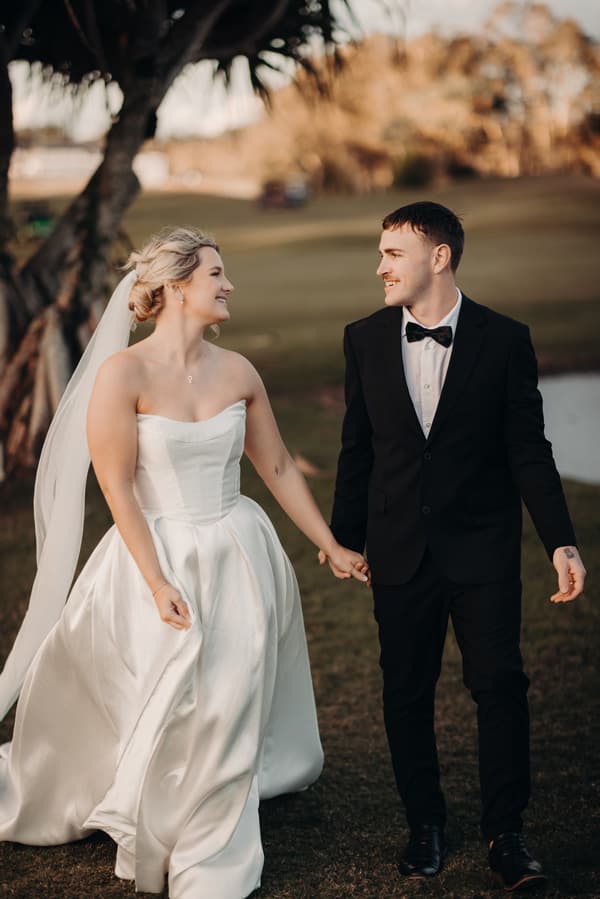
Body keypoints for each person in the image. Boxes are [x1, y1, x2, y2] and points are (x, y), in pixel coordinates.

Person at [0, 227, 370, 899]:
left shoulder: (239, 373)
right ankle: (152, 797)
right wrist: (157, 579)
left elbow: (279, 466)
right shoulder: (123, 374)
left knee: (227, 693)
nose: (227, 285)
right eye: (215, 274)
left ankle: (206, 839)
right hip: (152, 552)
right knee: (168, 696)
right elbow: (115, 487)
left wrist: (331, 542)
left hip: (237, 550)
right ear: (174, 285)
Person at [323, 202, 586, 891]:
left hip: (482, 550)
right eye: (380, 253)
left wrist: (559, 539)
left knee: (500, 686)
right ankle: (425, 827)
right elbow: (358, 450)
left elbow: (529, 449)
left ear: (438, 257)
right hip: (398, 548)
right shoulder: (364, 338)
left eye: (392, 254)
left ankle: (508, 831)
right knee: (405, 691)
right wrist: (342, 536)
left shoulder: (504, 339)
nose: (380, 266)